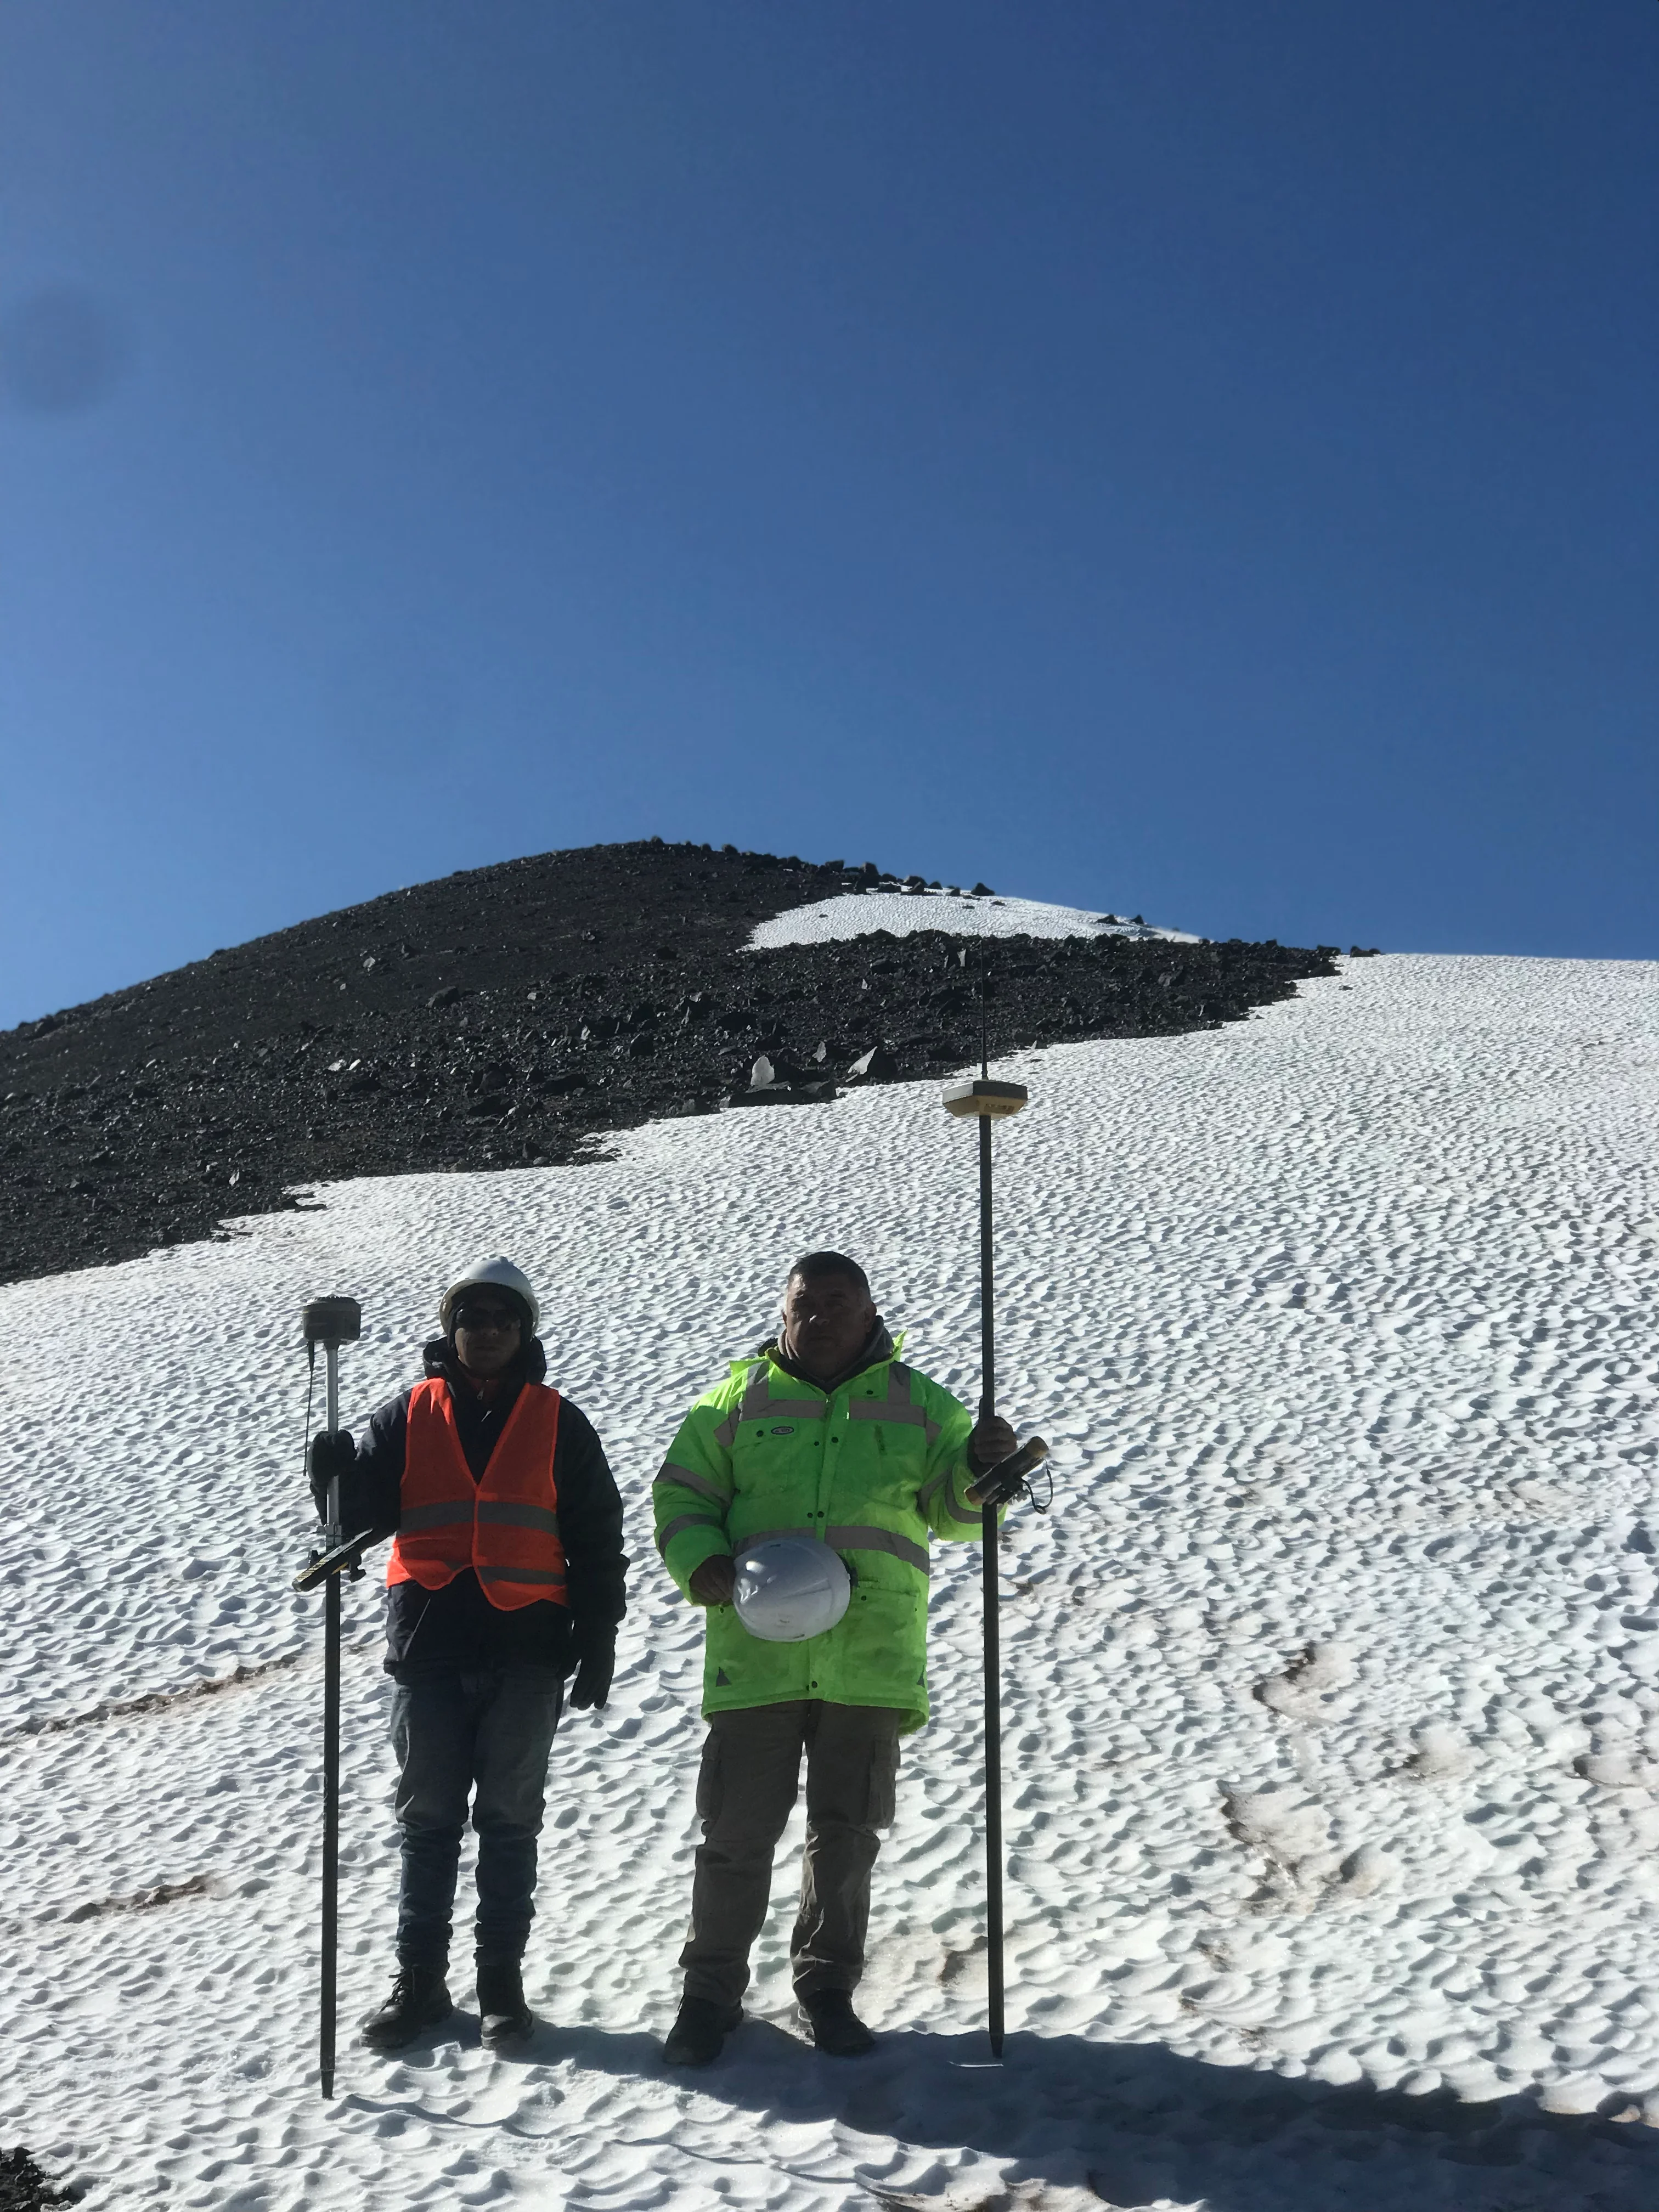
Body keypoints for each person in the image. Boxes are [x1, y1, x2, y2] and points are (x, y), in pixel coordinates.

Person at [652, 1250, 1018, 2066]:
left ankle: (827, 1987)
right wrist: (699, 1558)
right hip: (759, 1660)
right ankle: (708, 1995)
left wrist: (983, 1470)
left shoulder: (920, 1406)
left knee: (847, 1835)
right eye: (803, 1303)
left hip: (869, 1659)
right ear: (782, 1312)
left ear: (869, 1312)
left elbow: (956, 1513)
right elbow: (681, 1493)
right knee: (736, 1834)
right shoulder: (735, 1402)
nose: (817, 1317)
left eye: (836, 1302)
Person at [309, 1256, 627, 2051]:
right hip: (429, 1646)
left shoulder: (560, 1421)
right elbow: (361, 1526)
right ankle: (418, 1985)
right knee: (429, 1823)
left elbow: (596, 1540)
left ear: (524, 1331)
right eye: (473, 1319)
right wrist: (333, 1480)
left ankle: (500, 1989)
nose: (487, 1333)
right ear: (451, 1329)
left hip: (528, 1648)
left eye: (503, 1321)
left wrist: (599, 1639)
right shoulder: (406, 1413)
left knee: (511, 1823)